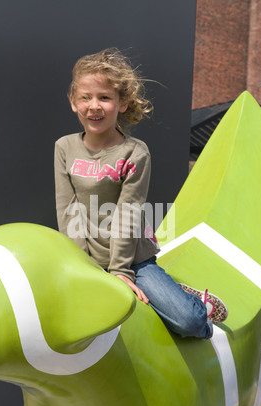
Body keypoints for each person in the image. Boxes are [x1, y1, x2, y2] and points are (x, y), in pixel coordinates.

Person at [54, 48, 228, 339]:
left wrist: (120, 271)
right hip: (83, 259)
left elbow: (128, 213)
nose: (94, 106)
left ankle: (196, 302)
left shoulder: (135, 152)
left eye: (104, 97)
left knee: (190, 324)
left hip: (134, 261)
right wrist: (82, 268)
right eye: (86, 97)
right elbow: (67, 209)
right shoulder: (64, 147)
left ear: (121, 103)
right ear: (73, 102)